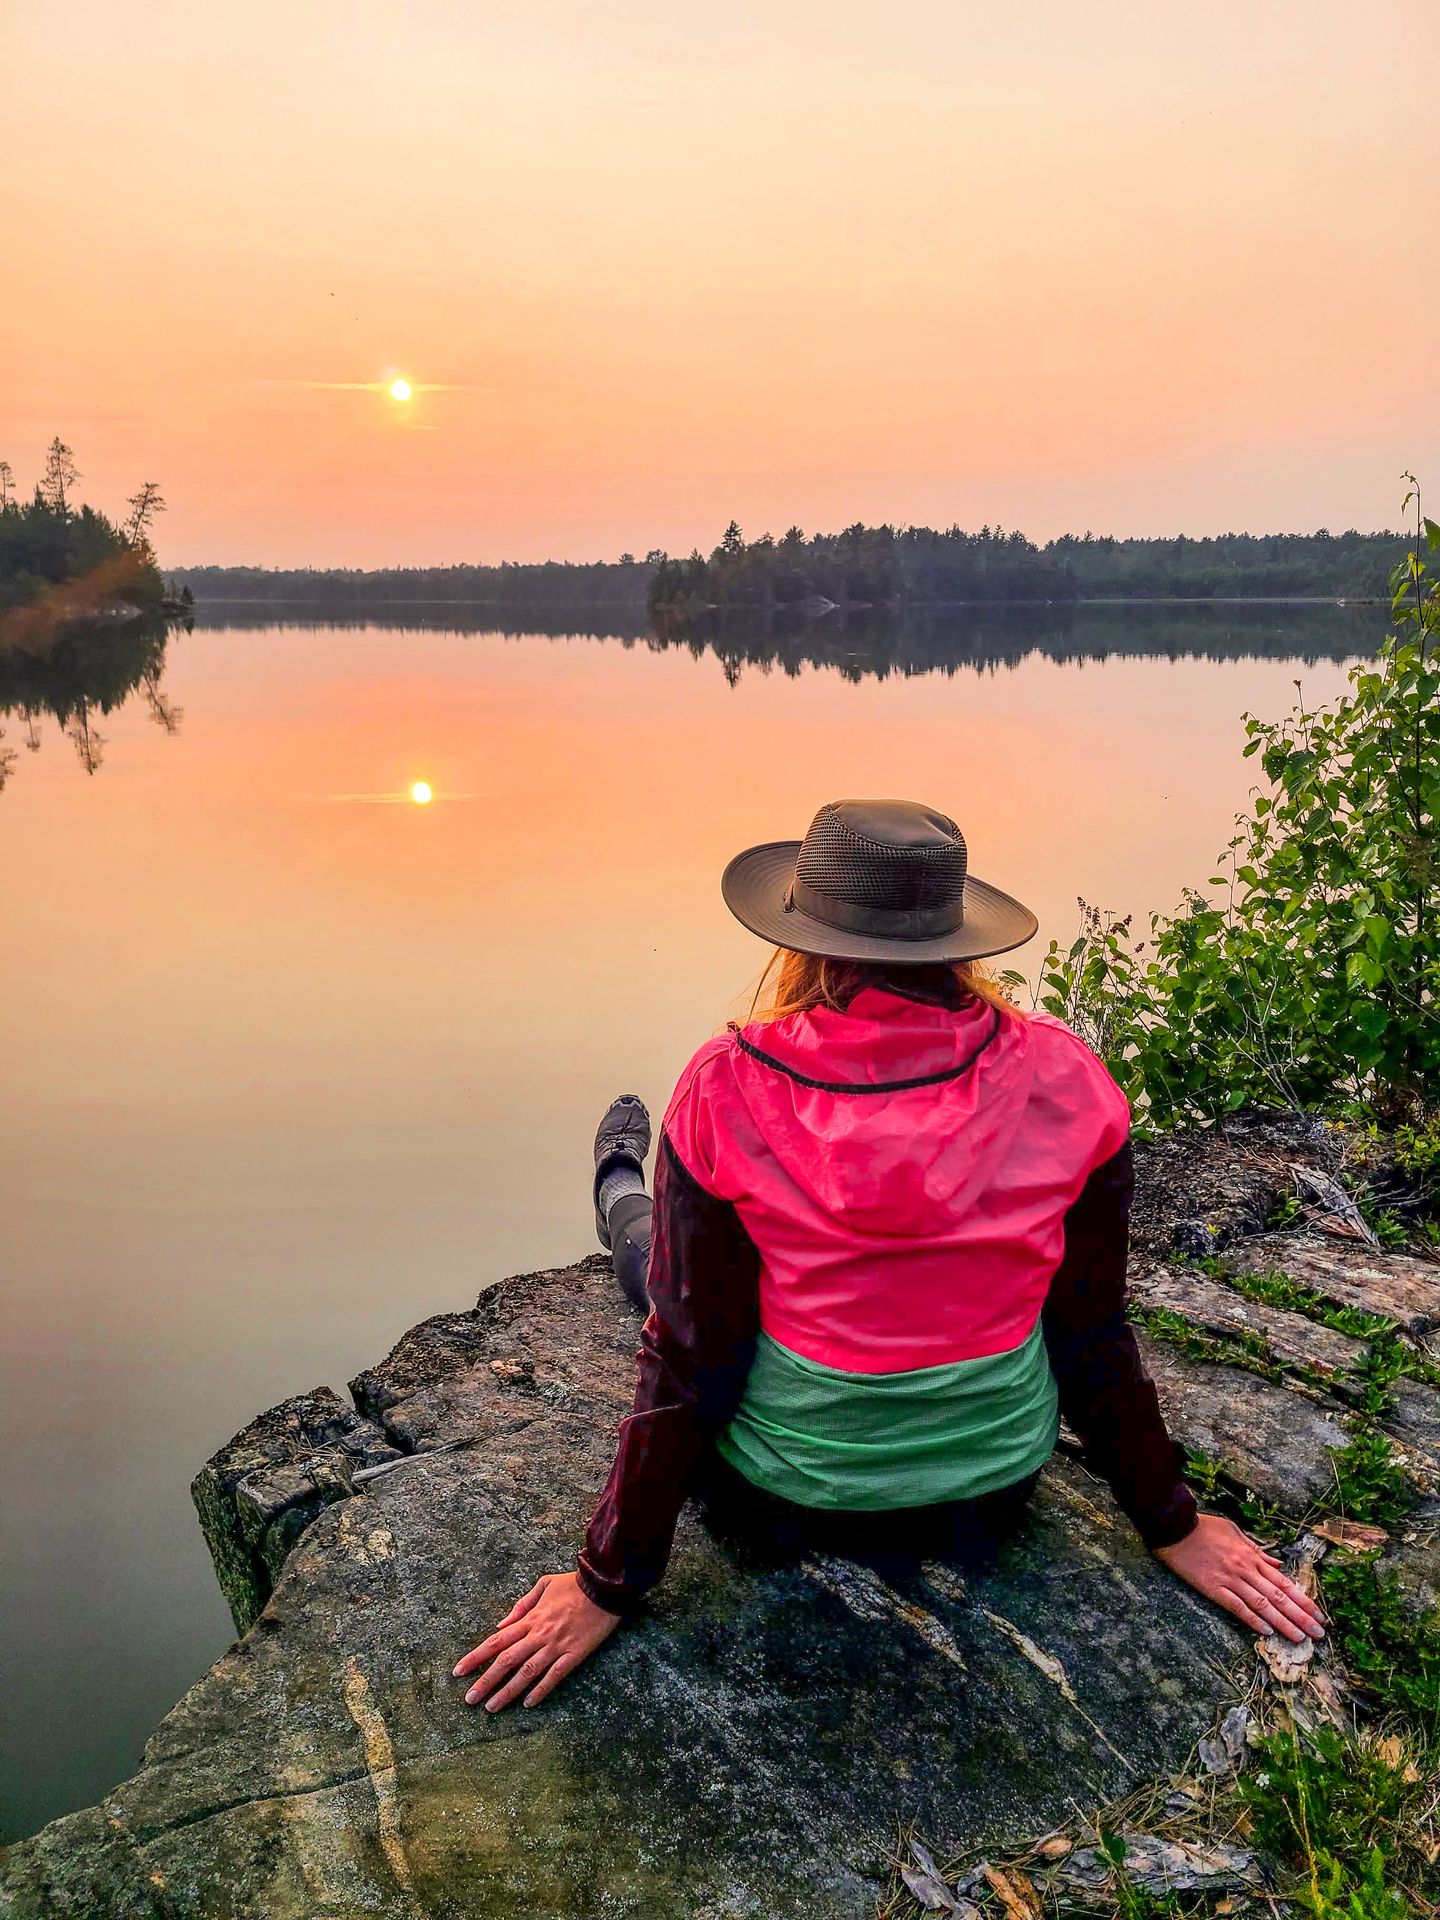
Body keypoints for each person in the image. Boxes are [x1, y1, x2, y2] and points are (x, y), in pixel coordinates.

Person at [454, 799, 1324, 1713]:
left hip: (786, 1506)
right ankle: (622, 1189)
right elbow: (1089, 1328)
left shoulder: (728, 1086)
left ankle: (616, 1185)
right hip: (989, 1496)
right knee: (681, 1269)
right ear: (958, 939)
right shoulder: (1069, 1079)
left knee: (647, 1261)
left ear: (802, 939)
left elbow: (691, 1353)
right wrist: (1170, 1522)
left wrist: (607, 1581)